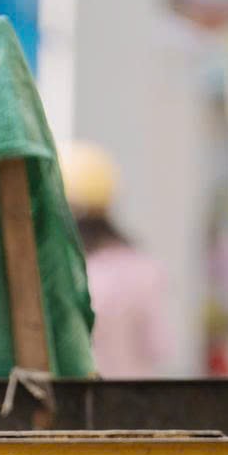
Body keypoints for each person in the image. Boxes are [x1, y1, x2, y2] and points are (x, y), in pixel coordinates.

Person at [62, 142, 173, 378]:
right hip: (133, 405)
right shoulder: (143, 269)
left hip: (75, 406)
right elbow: (158, 347)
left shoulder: (65, 271)